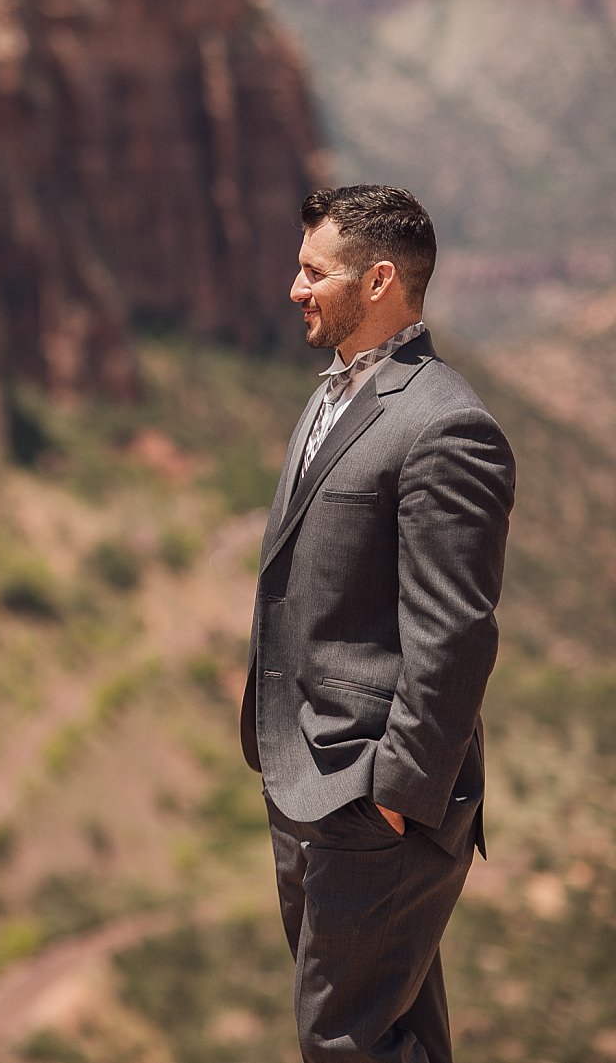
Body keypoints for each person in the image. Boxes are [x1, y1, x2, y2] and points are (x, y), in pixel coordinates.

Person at [241, 186, 514, 1063]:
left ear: (381, 279)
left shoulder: (446, 424)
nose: (295, 288)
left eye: (314, 272)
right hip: (306, 777)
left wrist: (397, 792)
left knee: (343, 1037)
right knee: (393, 1032)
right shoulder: (336, 393)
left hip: (371, 794)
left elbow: (456, 632)